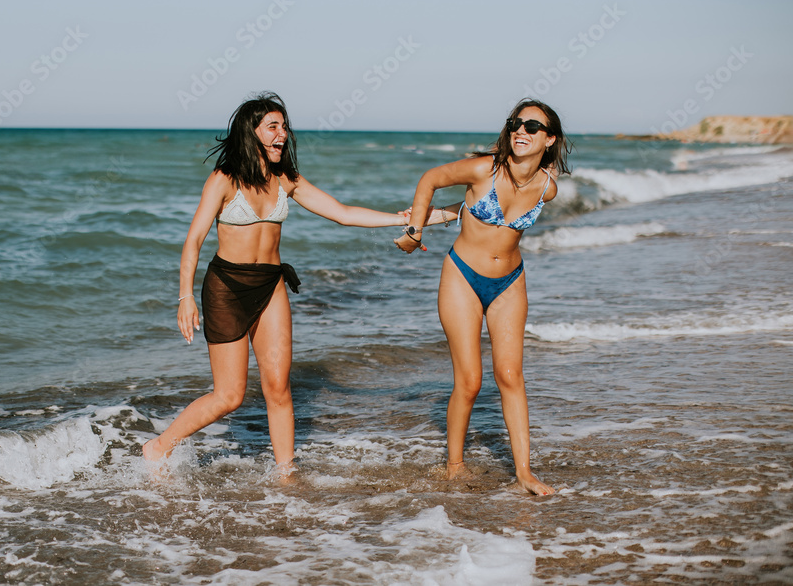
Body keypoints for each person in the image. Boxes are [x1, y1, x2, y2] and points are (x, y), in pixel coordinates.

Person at [144, 92, 437, 472]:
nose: (283, 133)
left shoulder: (287, 180)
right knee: (229, 396)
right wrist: (185, 296)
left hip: (270, 284)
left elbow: (343, 213)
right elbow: (193, 240)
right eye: (273, 127)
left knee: (278, 387)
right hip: (227, 289)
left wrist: (405, 219)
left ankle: (286, 474)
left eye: (284, 127)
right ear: (252, 133)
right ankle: (159, 446)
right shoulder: (224, 180)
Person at [394, 99, 571, 496]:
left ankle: (524, 472)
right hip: (462, 276)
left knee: (510, 376)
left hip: (510, 281)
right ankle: (454, 465)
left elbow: (471, 210)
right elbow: (430, 178)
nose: (521, 131)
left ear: (550, 138)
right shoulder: (483, 168)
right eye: (515, 124)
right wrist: (416, 230)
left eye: (532, 126)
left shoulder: (548, 188)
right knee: (470, 381)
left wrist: (446, 214)